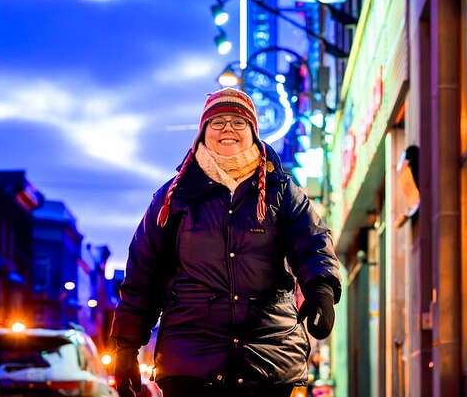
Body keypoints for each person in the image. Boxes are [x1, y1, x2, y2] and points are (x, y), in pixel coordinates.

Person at [110, 88, 342, 397]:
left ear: (253, 132)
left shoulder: (281, 191)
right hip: (191, 360)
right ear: (203, 132)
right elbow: (143, 272)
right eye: (218, 122)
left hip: (268, 356)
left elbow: (313, 242)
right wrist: (126, 345)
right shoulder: (173, 197)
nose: (228, 129)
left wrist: (321, 289)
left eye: (238, 121)